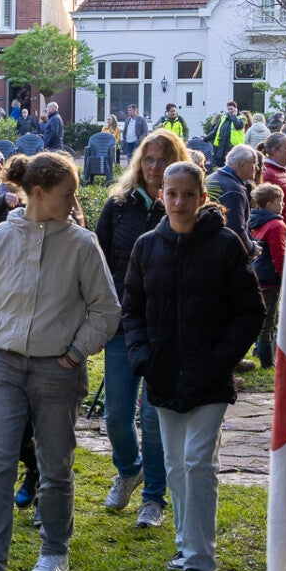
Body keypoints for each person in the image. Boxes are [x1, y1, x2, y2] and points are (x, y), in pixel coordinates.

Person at [0, 152, 119, 571]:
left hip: (58, 371)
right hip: (3, 364)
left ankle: (55, 549)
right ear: (39, 193)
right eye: (68, 193)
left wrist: (77, 350)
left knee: (55, 465)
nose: (75, 200)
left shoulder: (82, 244)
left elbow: (106, 309)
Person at [123, 159, 264, 571]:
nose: (179, 202)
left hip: (209, 379)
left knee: (199, 461)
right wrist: (143, 357)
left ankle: (201, 563)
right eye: (171, 194)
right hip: (163, 374)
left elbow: (250, 311)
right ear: (161, 195)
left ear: (203, 197)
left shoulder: (225, 245)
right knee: (175, 464)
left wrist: (219, 359)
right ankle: (185, 545)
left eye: (188, 194)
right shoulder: (147, 246)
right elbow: (132, 308)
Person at [94, 128, 191, 527]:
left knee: (153, 418)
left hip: (166, 330)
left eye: (163, 160)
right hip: (122, 322)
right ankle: (128, 468)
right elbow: (96, 258)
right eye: (148, 159)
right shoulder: (119, 206)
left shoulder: (183, 207)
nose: (155, 168)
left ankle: (154, 496)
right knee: (115, 414)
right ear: (138, 162)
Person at [248, 182, 286, 367]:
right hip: (270, 278)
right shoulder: (276, 225)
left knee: (261, 315)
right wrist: (285, 278)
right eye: (280, 201)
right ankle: (266, 361)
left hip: (256, 273)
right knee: (269, 319)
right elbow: (279, 256)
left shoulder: (255, 221)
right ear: (269, 204)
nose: (283, 205)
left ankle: (258, 350)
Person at [208, 144, 259, 241]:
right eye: (255, 164)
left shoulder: (213, 177)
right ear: (242, 165)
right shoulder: (233, 190)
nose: (257, 168)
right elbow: (236, 230)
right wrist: (252, 249)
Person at [210, 100, 247, 165]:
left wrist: (234, 116)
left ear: (236, 109)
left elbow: (238, 126)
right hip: (222, 147)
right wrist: (205, 138)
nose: (230, 111)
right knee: (220, 165)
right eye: (228, 109)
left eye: (231, 109)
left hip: (234, 147)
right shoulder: (224, 118)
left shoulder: (241, 118)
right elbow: (215, 131)